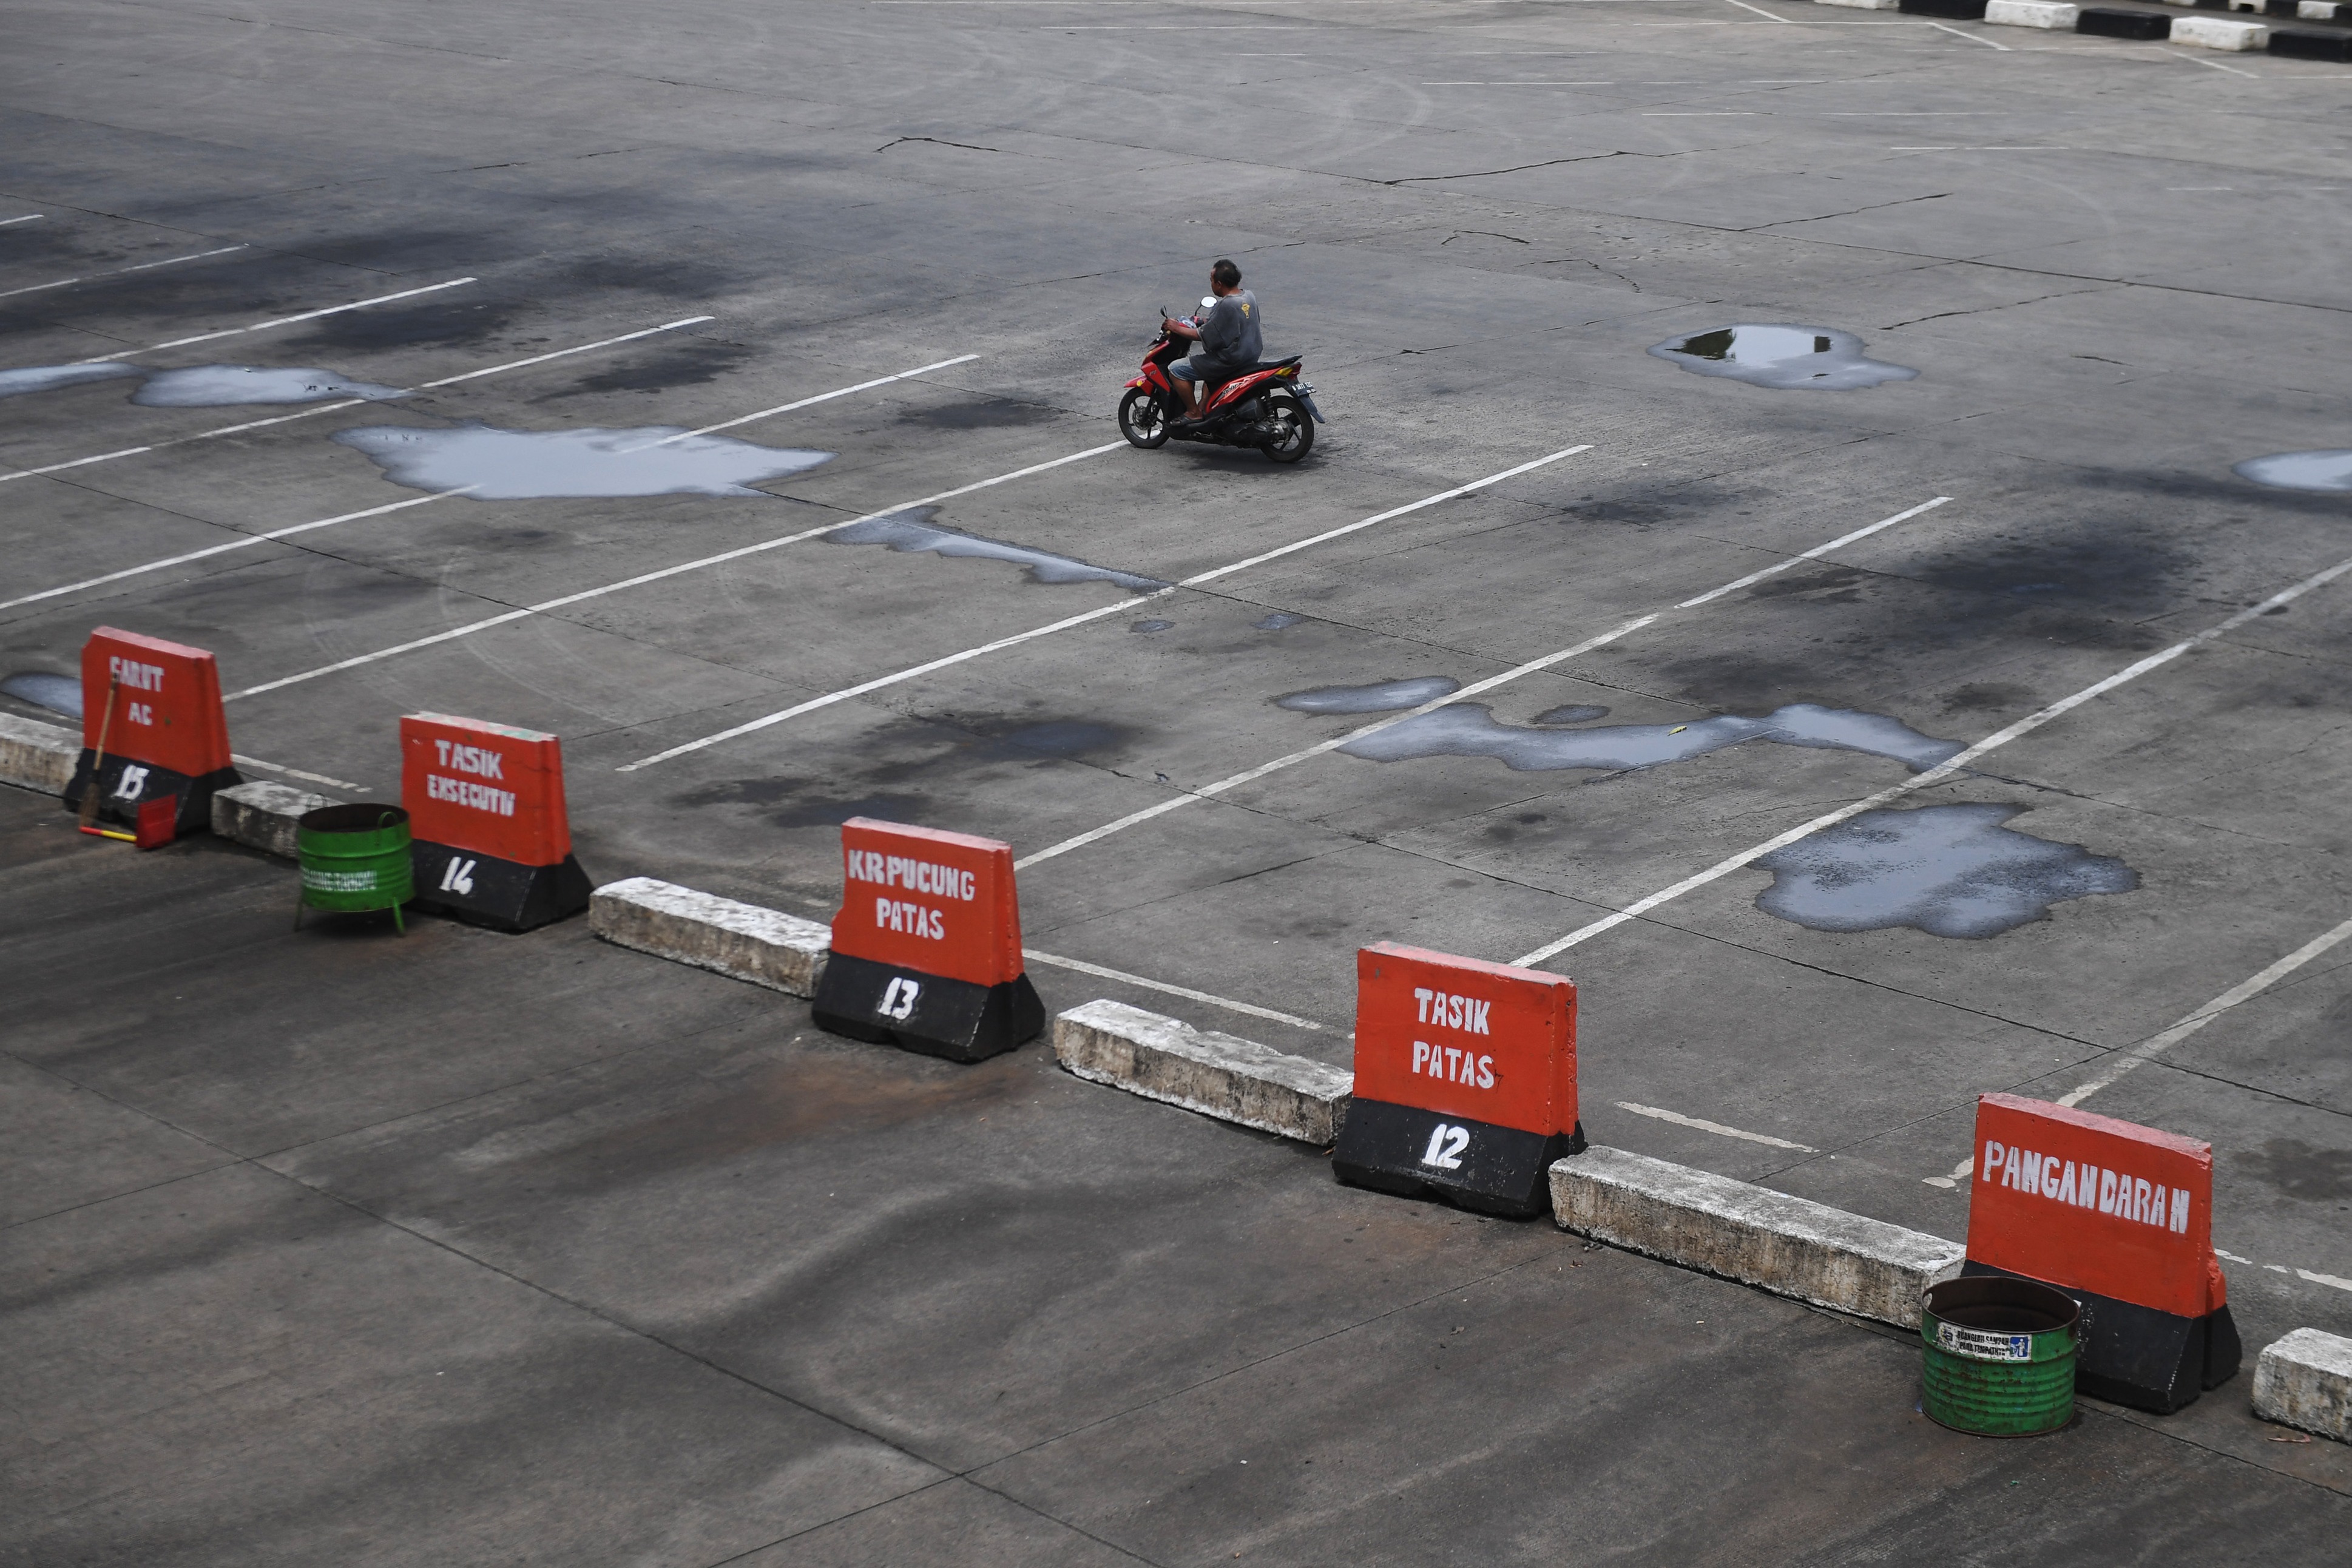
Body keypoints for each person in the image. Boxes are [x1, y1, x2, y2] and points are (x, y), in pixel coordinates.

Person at [1162, 259, 1260, 423]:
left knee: (1176, 369)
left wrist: (1176, 327)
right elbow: (1228, 324)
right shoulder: (1248, 296)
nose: (1211, 284)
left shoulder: (1227, 305)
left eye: (1212, 280)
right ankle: (1205, 407)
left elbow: (1202, 335)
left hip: (1231, 360)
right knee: (1207, 365)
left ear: (1220, 284)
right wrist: (1202, 321)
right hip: (1250, 356)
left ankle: (1194, 412)